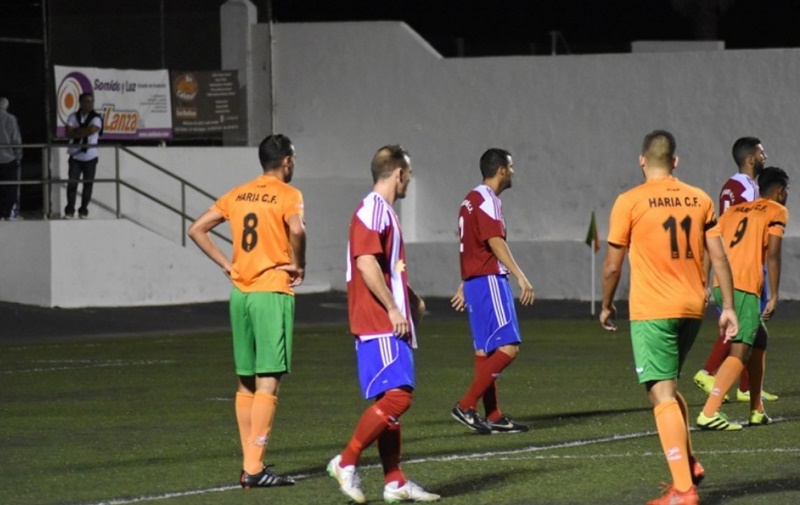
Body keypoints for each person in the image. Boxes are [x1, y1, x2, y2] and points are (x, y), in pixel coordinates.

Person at [600, 130, 738, 505]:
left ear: (642, 161)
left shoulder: (629, 201)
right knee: (668, 387)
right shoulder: (700, 198)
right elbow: (719, 256)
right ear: (675, 161)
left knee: (660, 393)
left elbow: (612, 266)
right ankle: (689, 465)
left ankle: (683, 491)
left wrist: (607, 304)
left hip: (653, 310)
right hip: (692, 308)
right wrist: (727, 307)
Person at [188, 134, 304, 489]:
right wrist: (299, 264)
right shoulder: (288, 194)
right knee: (269, 376)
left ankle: (251, 461)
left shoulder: (238, 193)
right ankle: (254, 468)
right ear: (286, 161)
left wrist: (227, 264)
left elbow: (196, 229)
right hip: (271, 291)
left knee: (245, 379)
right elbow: (297, 229)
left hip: (240, 294)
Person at [327, 145, 439, 504]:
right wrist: (392, 308)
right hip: (378, 322)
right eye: (409, 174)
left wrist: (410, 298)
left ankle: (394, 481)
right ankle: (346, 461)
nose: (410, 180)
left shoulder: (382, 212)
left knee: (389, 402)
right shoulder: (373, 209)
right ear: (399, 173)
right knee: (398, 397)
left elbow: (384, 266)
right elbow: (365, 262)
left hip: (385, 320)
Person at [696, 166, 789, 431]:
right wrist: (774, 295)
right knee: (741, 348)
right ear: (781, 192)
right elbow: (773, 254)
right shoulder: (776, 211)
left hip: (722, 284)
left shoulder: (733, 211)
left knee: (759, 338)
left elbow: (710, 247)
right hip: (744, 286)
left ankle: (756, 409)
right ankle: (709, 412)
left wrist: (705, 281)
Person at [449, 148, 535, 435]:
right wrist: (520, 276)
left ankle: (494, 415)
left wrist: (465, 282)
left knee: (484, 351)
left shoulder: (469, 200)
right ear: (501, 170)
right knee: (509, 347)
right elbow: (494, 240)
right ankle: (466, 404)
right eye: (511, 167)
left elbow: (470, 245)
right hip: (489, 280)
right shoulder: (488, 199)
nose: (513, 172)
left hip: (475, 282)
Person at [64, 92, 102, 219]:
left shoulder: (96, 118)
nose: (89, 104)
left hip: (90, 157)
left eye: (91, 101)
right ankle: (70, 210)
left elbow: (92, 130)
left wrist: (77, 131)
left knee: (88, 185)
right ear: (80, 103)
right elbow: (68, 133)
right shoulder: (73, 116)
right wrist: (83, 131)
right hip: (75, 156)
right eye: (86, 101)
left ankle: (83, 210)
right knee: (72, 184)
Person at [0, 97, 22, 220]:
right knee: (11, 187)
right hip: (8, 158)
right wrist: (18, 156)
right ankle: (9, 213)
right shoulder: (10, 119)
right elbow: (16, 139)